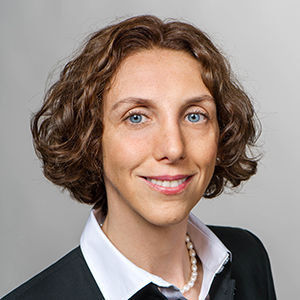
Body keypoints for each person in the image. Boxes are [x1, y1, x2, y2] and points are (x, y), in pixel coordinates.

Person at [3, 15, 276, 300]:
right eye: (137, 117)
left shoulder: (247, 258)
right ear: (91, 138)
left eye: (194, 116)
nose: (173, 148)